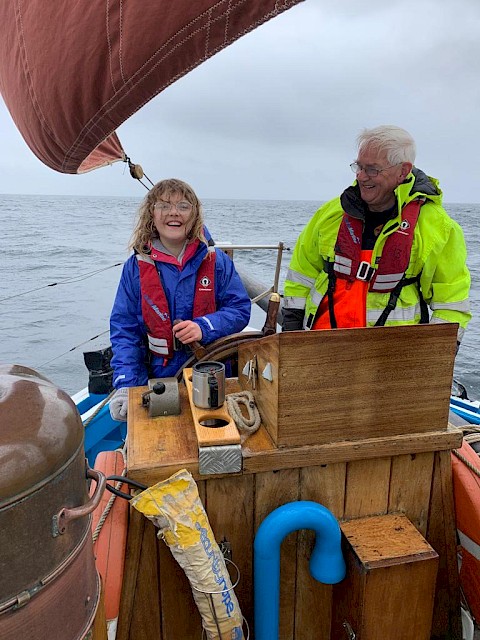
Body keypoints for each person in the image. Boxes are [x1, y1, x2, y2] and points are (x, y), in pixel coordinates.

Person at [282, 125, 471, 344]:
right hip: (320, 347)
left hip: (390, 360)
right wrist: (291, 333)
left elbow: (451, 303)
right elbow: (301, 274)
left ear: (403, 171)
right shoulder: (330, 214)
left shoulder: (438, 228)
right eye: (358, 167)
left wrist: (435, 358)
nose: (362, 176)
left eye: (372, 169)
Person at [109, 178, 251, 421]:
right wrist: (126, 386)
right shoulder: (135, 269)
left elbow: (239, 309)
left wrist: (204, 327)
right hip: (160, 377)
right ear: (151, 214)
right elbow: (125, 330)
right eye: (164, 205)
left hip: (213, 373)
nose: (173, 213)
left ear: (194, 214)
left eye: (183, 206)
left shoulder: (217, 263)